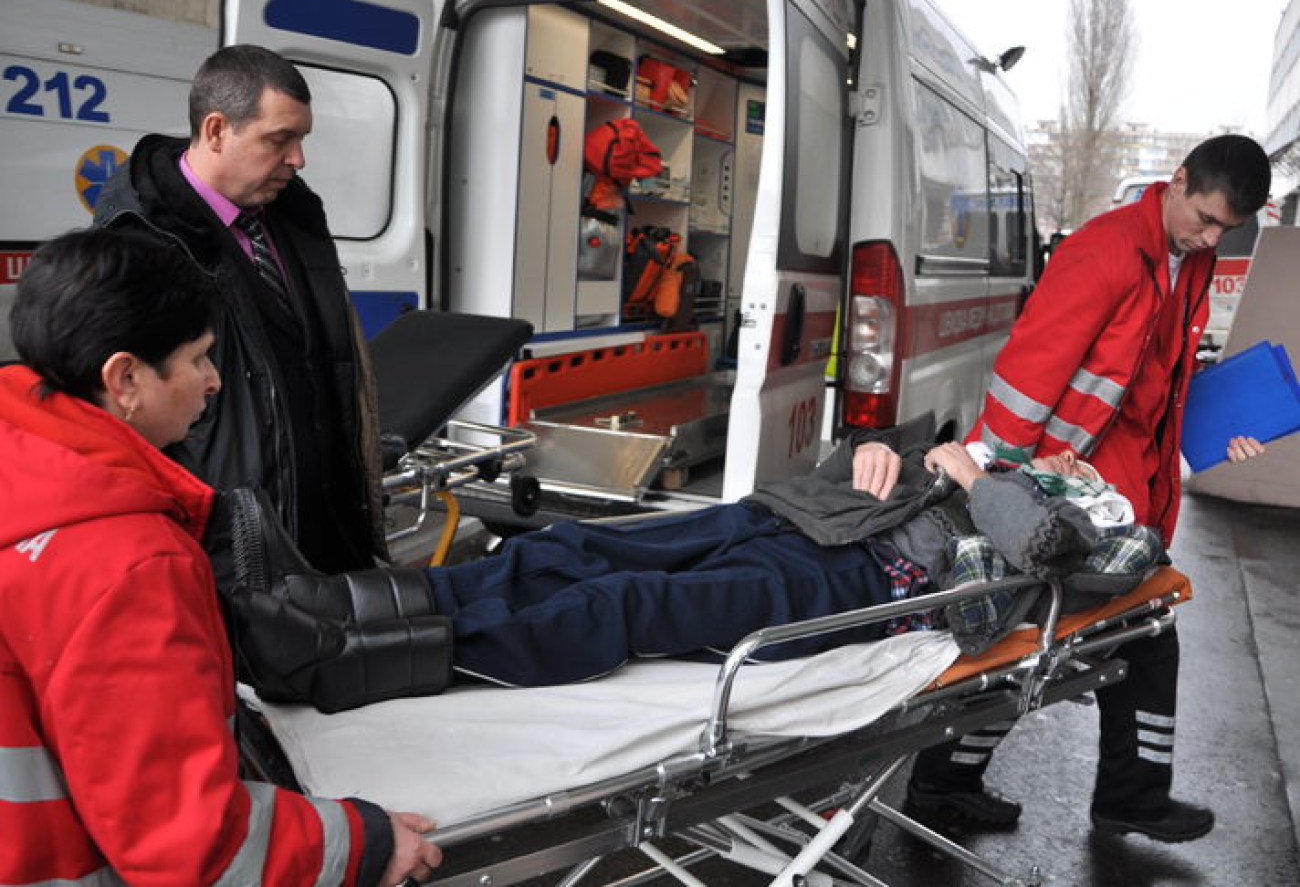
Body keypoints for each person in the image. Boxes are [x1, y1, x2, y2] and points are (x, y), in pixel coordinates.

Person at [0, 227, 442, 886]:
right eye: (200, 358)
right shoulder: (126, 562)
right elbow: (191, 844)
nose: (213, 382)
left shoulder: (26, 477)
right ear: (124, 378)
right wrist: (364, 843)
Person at [904, 134, 1273, 843]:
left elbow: (1159, 385)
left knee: (1122, 632)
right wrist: (993, 491)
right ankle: (954, 784)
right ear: (1178, 179)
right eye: (1204, 218)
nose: (1209, 238)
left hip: (1124, 489)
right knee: (1039, 641)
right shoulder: (1103, 253)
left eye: (1226, 229)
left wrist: (1223, 423)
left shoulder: (1184, 263)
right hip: (1061, 494)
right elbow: (1026, 377)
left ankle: (1104, 793)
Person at [233, 416, 1164, 690]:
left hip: (862, 578)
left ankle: (349, 661)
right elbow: (888, 438)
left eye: (1079, 462)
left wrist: (969, 474)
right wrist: (881, 442)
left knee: (624, 607)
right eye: (1062, 457)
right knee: (574, 545)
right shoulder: (1008, 461)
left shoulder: (1088, 520)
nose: (1068, 456)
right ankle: (343, 599)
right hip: (796, 513)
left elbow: (1043, 551)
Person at [94, 44, 383, 578]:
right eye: (280, 139)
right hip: (230, 556)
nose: (298, 159)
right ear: (217, 130)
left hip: (330, 538)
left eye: (301, 139)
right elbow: (125, 428)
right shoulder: (143, 245)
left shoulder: (296, 214)